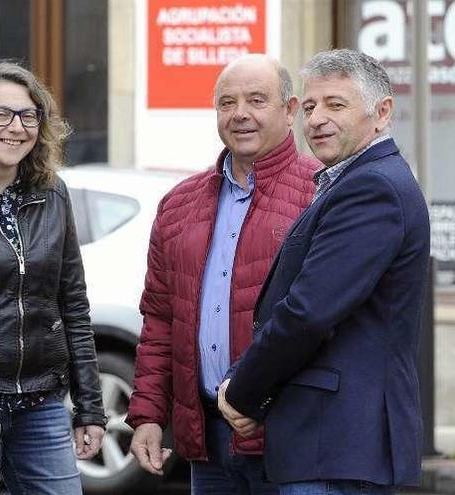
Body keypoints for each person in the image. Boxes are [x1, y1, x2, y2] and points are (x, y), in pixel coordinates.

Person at [220, 49, 430, 495]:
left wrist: (241, 389)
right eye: (311, 106)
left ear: (382, 112)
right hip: (330, 445)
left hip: (338, 446)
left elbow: (308, 312)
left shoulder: (372, 187)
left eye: (336, 104)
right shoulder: (350, 180)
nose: (316, 119)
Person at [125, 54, 318, 494]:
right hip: (208, 439)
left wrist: (259, 397)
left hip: (290, 435)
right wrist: (149, 415)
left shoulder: (320, 194)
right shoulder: (179, 204)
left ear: (289, 111)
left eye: (256, 100)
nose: (240, 114)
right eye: (227, 103)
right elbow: (158, 320)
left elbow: (323, 323)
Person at [0, 61, 106, 495]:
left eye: (29, 116)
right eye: (1, 114)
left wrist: (89, 408)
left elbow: (73, 304)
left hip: (41, 400)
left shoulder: (52, 192)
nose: (16, 127)